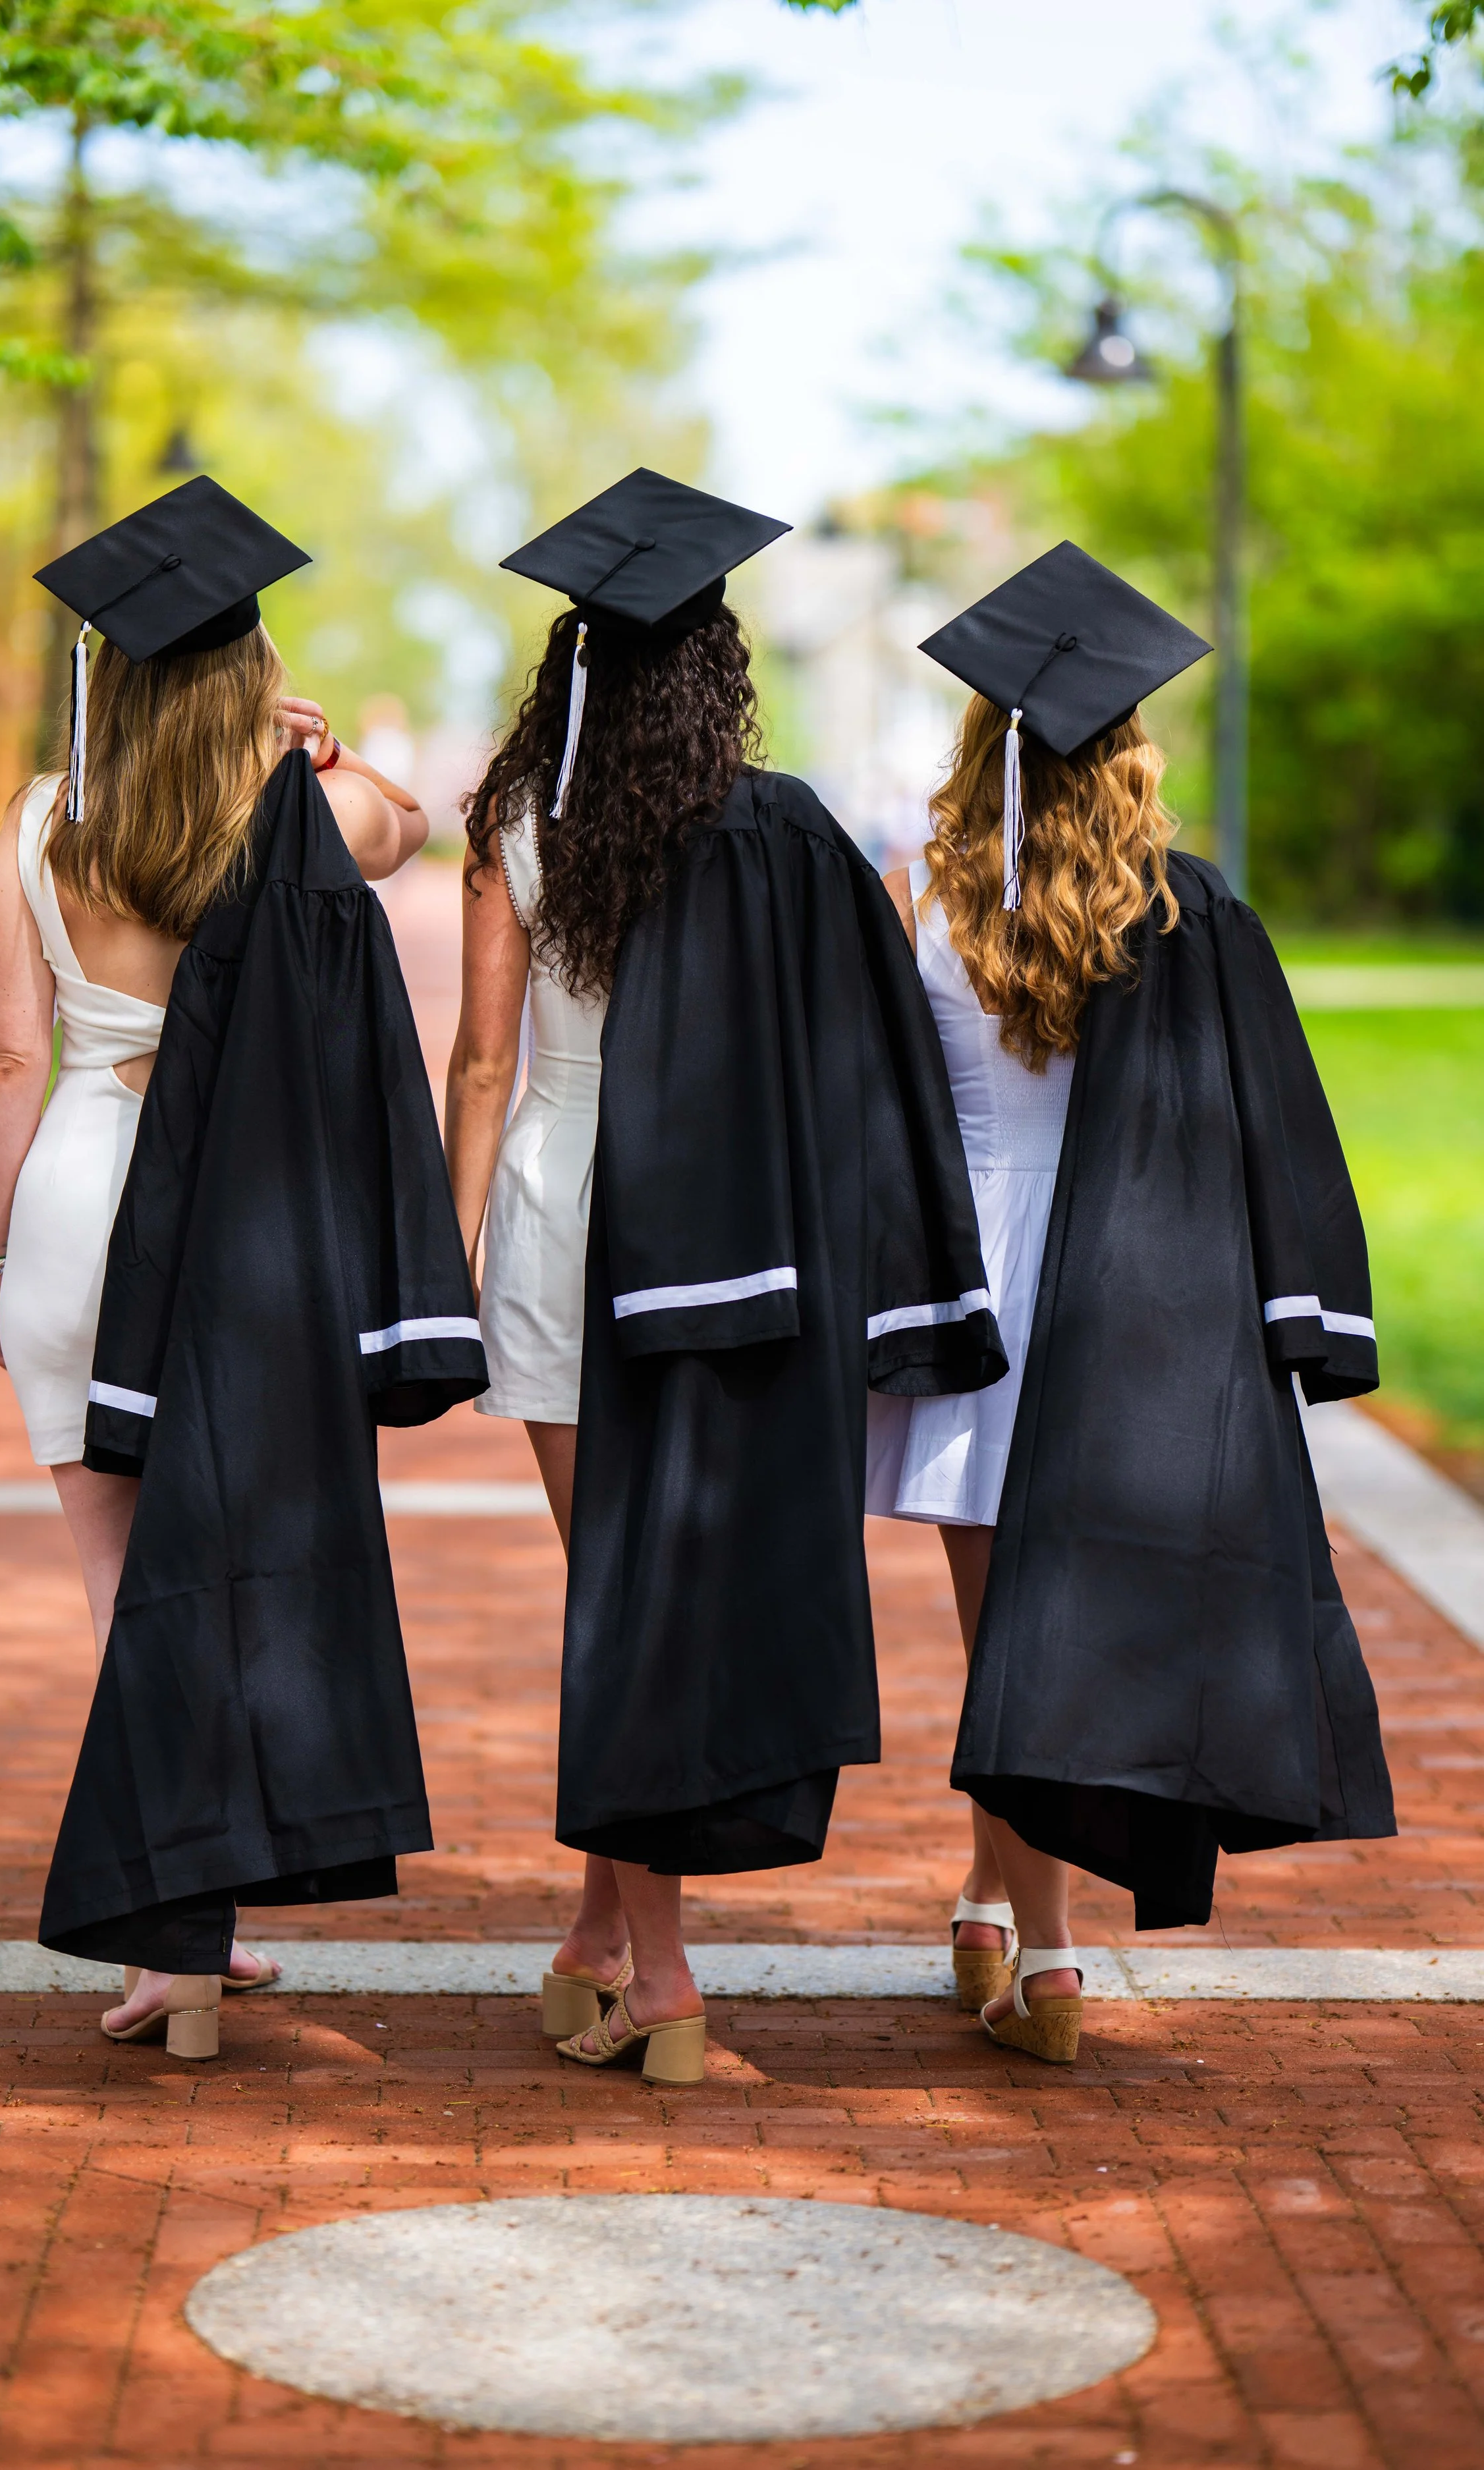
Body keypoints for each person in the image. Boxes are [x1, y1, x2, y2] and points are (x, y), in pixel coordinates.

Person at [465, 470, 1005, 2083]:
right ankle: (599, 1931)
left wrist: (445, 1256)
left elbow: (480, 1063)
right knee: (646, 1609)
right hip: (720, 1248)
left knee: (606, 1602)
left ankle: (663, 1971)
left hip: (560, 1224)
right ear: (718, 671)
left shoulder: (511, 823)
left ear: (566, 668)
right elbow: (859, 1060)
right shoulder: (777, 832)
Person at [869, 541, 1394, 2065]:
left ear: (981, 744)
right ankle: (1019, 1929)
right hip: (1127, 1303)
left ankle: (1027, 1939)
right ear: (1128, 750)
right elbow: (1258, 1123)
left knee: (997, 1641)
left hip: (966, 1293)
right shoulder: (1177, 909)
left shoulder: (919, 893)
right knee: (1055, 1639)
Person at [0, 476, 482, 2058]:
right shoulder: (305, 810)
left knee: (126, 1592)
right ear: (251, 675)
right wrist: (330, 747)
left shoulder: (43, 822)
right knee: (234, 1574)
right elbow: (413, 825)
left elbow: (11, 1055)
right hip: (245, 1235)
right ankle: (198, 1928)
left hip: (80, 1196)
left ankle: (178, 1946)